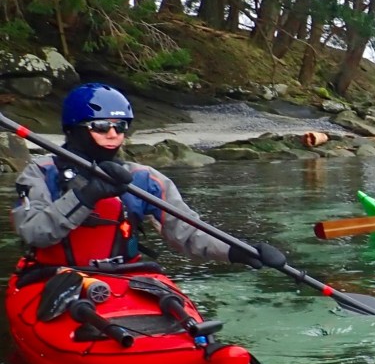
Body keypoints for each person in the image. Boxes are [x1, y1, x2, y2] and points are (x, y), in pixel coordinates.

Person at [11, 82, 284, 273]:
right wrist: (86, 194)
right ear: (73, 129)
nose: (113, 134)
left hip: (125, 276)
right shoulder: (40, 172)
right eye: (101, 126)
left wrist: (239, 251)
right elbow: (34, 233)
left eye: (121, 126)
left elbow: (188, 232)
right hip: (56, 275)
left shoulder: (144, 179)